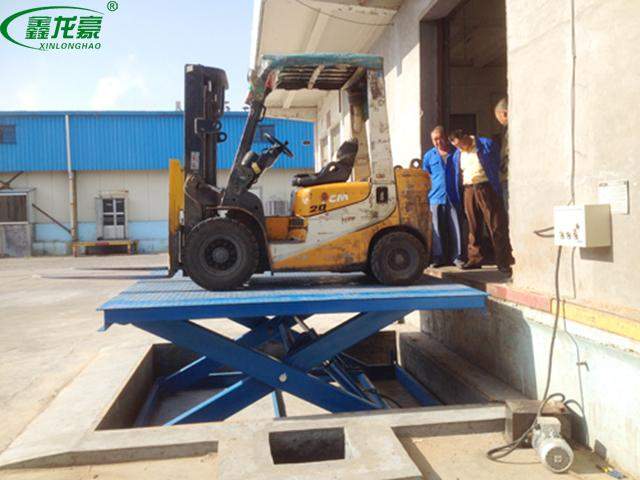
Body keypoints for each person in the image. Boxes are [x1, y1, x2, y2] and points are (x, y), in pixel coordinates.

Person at [448, 129, 514, 276]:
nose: (459, 148)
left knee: (495, 224)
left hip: (485, 186)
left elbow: (497, 162)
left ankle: (503, 261)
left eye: (460, 144)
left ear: (465, 137)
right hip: (468, 188)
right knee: (473, 225)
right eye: (456, 146)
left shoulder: (485, 144)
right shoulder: (458, 154)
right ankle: (475, 258)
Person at [422, 126, 465, 268]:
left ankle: (457, 257)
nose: (438, 142)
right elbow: (426, 176)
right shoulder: (429, 156)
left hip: (454, 195)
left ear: (445, 137)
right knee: (437, 229)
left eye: (440, 138)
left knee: (456, 227)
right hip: (435, 196)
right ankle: (438, 257)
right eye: (435, 139)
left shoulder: (457, 152)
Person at [494, 97, 509, 211]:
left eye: (498, 117)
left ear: (504, 114)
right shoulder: (507, 130)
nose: (499, 121)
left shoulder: (511, 131)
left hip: (508, 176)